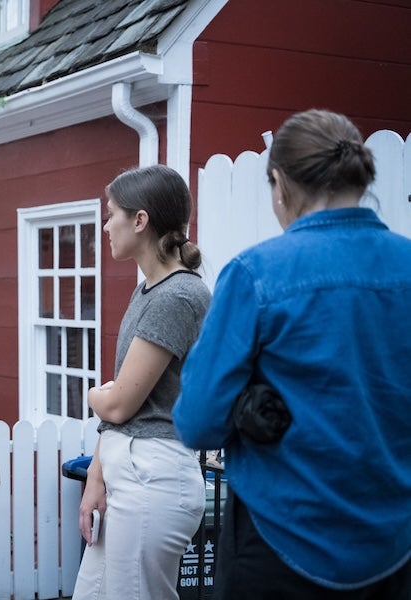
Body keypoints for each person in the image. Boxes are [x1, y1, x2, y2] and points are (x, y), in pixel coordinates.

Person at [174, 109, 411, 598]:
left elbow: (197, 422)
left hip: (280, 539)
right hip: (395, 542)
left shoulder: (256, 273)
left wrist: (244, 407)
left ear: (279, 184)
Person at [72, 165, 210, 600]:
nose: (106, 224)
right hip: (126, 471)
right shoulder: (149, 289)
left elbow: (118, 405)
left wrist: (94, 393)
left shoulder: (177, 296)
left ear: (140, 220)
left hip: (154, 478)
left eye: (111, 213)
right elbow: (122, 405)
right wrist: (97, 474)